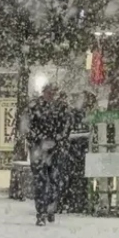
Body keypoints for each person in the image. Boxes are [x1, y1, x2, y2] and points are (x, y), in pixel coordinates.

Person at [27, 84, 71, 226]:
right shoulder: (34, 106)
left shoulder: (62, 108)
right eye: (48, 92)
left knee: (54, 181)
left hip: (55, 149)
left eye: (53, 93)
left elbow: (67, 127)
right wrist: (38, 140)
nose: (51, 95)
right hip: (38, 149)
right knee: (40, 181)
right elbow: (26, 126)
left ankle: (50, 208)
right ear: (44, 92)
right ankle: (41, 213)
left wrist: (57, 140)